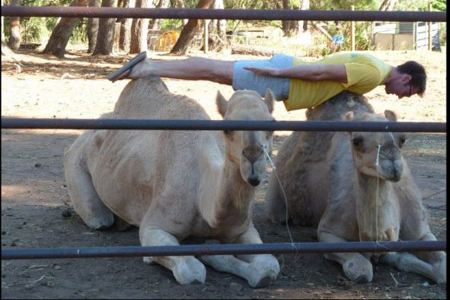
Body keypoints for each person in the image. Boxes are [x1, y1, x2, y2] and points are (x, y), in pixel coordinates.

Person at [107, 51, 426, 112]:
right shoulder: (373, 75)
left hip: (289, 78)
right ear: (406, 77)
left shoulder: (376, 64)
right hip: (288, 80)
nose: (401, 97)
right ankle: (149, 68)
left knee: (217, 71)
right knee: (216, 71)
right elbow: (320, 73)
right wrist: (277, 73)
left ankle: (152, 67)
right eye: (407, 92)